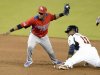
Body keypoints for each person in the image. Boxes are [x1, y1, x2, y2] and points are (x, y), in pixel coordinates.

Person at [4, 4, 70, 67]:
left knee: (50, 51)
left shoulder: (48, 16)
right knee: (30, 47)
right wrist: (10, 30)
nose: (39, 14)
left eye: (41, 13)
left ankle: (55, 61)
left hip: (44, 37)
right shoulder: (33, 19)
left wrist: (63, 13)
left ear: (45, 13)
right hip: (34, 36)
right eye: (39, 12)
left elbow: (55, 16)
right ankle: (29, 60)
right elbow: (21, 25)